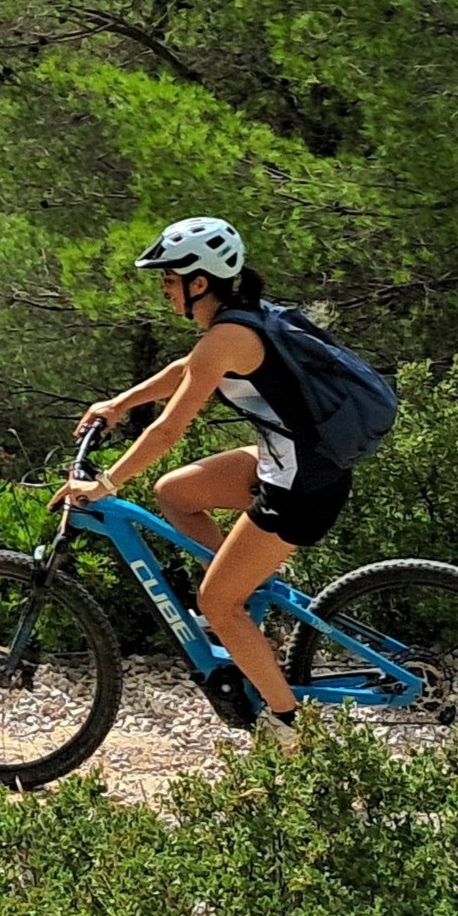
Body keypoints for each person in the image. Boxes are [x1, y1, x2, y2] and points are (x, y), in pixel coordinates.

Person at [52, 217, 351, 751]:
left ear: (199, 282)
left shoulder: (228, 337)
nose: (163, 290)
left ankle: (290, 727)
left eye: (168, 280)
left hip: (302, 486)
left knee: (216, 604)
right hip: (288, 462)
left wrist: (106, 483)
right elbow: (184, 370)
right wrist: (119, 404)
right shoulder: (235, 324)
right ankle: (251, 598)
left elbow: (170, 427)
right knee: (176, 492)